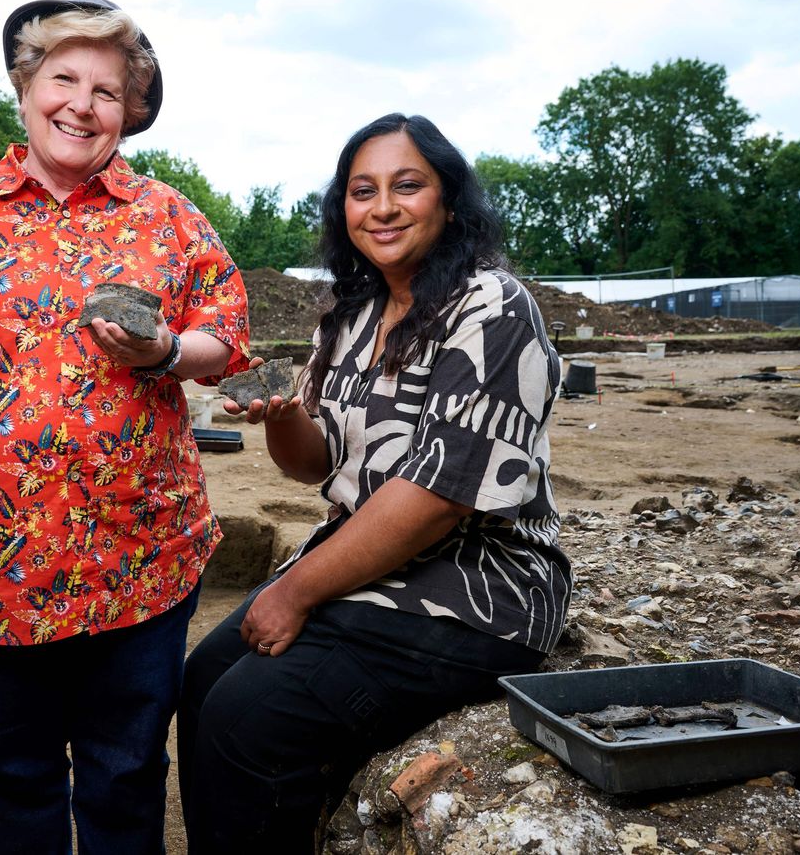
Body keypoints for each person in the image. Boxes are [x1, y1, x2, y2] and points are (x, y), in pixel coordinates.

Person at [0, 0, 248, 855]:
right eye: (63, 77)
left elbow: (226, 337)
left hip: (141, 558)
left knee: (126, 768)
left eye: (108, 91)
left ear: (131, 112)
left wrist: (167, 351)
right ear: (25, 89)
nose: (83, 103)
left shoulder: (171, 218)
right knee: (13, 770)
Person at [178, 113, 571, 853]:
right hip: (370, 570)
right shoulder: (351, 315)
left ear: (450, 202)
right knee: (202, 684)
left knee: (247, 721)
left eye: (407, 185)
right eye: (363, 191)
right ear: (343, 210)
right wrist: (283, 414)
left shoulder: (492, 307)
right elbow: (316, 463)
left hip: (473, 590)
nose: (383, 206)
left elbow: (439, 499)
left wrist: (292, 591)